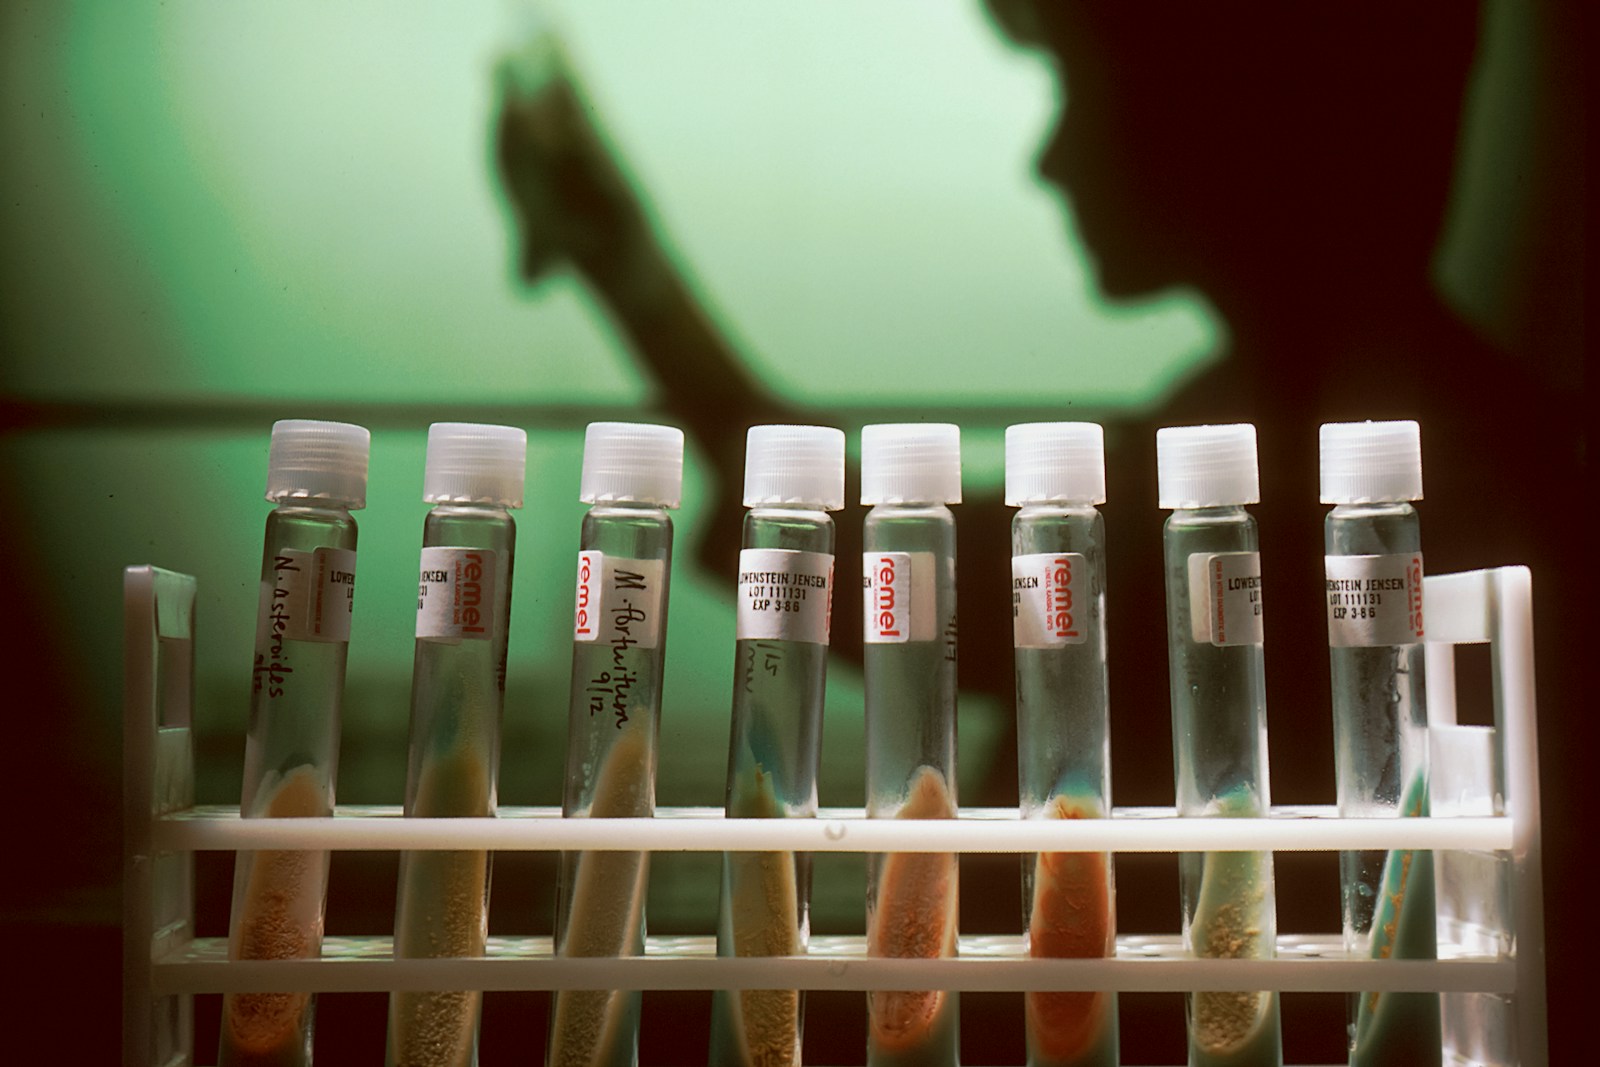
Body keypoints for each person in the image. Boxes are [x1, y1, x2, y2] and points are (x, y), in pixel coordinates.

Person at [494, 7, 1579, 1059]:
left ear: (1222, 103)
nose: (1048, 163)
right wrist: (624, 262)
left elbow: (893, 577)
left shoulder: (1344, 470)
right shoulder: (1324, 429)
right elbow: (889, 564)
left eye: (1076, 83)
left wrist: (627, 267)